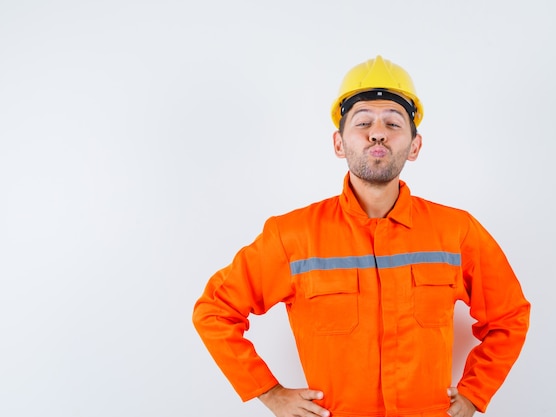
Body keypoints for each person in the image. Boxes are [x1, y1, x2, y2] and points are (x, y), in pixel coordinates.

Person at [193, 55, 530, 417]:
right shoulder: (291, 236)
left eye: (393, 123)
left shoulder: (457, 232)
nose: (378, 132)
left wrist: (475, 393)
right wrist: (269, 392)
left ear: (414, 146)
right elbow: (214, 311)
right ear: (339, 144)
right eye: (363, 121)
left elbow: (509, 316)